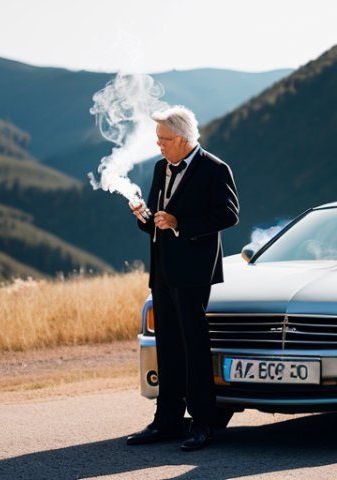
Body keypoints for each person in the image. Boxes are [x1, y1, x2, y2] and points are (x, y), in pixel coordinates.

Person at [127, 105, 239, 451]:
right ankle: (168, 421)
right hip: (161, 271)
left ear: (181, 139)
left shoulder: (214, 169)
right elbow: (155, 220)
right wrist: (143, 215)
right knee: (168, 348)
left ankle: (203, 424)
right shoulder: (162, 167)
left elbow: (228, 215)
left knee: (194, 347)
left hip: (194, 273)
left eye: (163, 139)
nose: (157, 145)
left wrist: (181, 224)